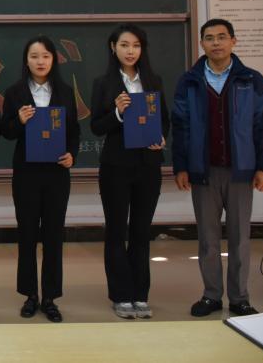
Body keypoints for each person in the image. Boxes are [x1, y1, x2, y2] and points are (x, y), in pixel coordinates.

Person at [172, 18, 263, 317]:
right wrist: (181, 166)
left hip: (241, 170)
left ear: (233, 41)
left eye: (221, 37)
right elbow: (180, 126)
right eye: (209, 38)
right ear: (201, 43)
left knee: (240, 238)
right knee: (208, 238)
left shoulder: (252, 80)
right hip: (203, 170)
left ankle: (240, 298)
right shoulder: (189, 81)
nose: (216, 43)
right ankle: (211, 295)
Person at [90, 24, 169, 319]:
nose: (130, 51)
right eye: (124, 45)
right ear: (114, 48)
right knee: (116, 230)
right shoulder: (103, 83)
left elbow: (164, 120)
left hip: (148, 166)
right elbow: (96, 127)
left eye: (136, 45)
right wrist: (118, 113)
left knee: (141, 231)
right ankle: (121, 295)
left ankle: (140, 294)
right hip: (116, 167)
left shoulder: (154, 81)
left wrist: (161, 138)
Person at [1, 35, 79, 323]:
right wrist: (19, 121)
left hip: (57, 173)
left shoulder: (65, 91)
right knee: (27, 235)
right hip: (27, 174)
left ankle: (50, 297)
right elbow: (6, 131)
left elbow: (74, 131)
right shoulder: (15, 92)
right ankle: (30, 294)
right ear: (26, 60)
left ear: (53, 59)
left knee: (54, 236)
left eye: (45, 56)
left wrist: (72, 155)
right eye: (34, 56)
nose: (40, 61)